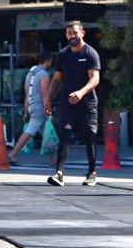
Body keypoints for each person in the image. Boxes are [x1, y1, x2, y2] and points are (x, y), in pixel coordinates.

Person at [45, 20, 101, 186]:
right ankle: (59, 173)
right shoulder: (63, 55)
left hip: (87, 104)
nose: (72, 36)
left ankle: (92, 172)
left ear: (82, 33)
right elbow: (56, 79)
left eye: (75, 33)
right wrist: (48, 100)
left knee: (89, 136)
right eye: (69, 33)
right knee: (65, 135)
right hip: (67, 104)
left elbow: (95, 78)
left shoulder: (90, 53)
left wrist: (81, 92)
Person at [9, 50, 55, 165]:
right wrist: (49, 110)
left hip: (31, 106)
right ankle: (13, 154)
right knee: (31, 131)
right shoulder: (44, 75)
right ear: (48, 61)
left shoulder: (30, 74)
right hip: (40, 108)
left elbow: (27, 94)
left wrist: (26, 111)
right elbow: (45, 95)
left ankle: (53, 159)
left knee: (47, 132)